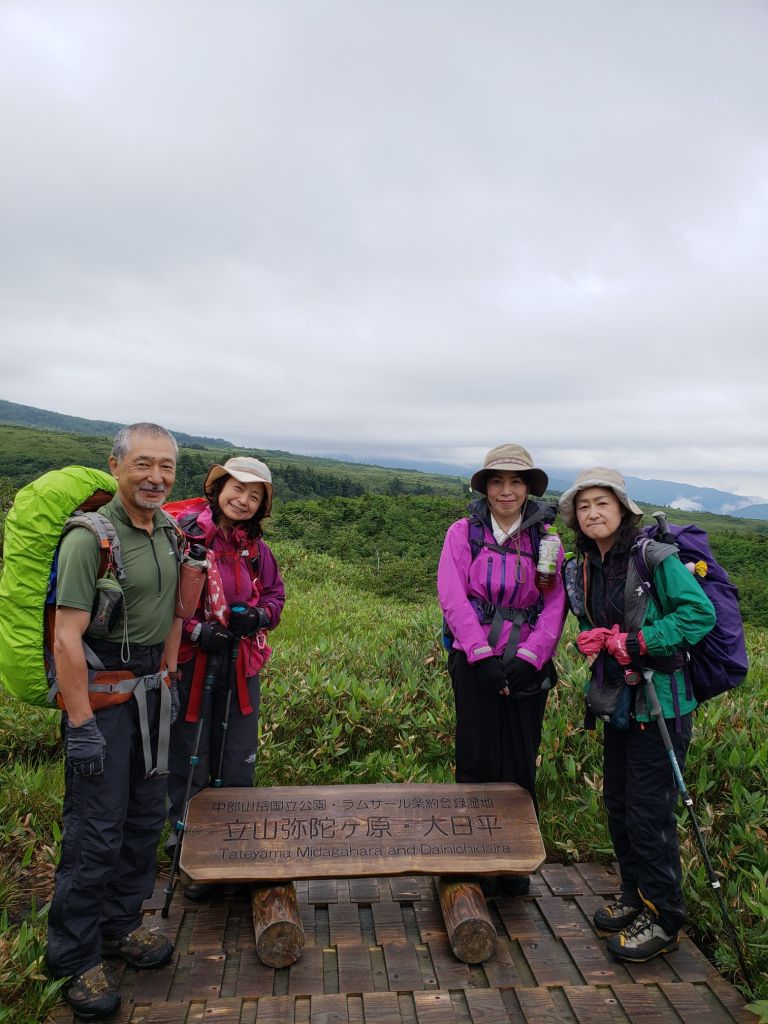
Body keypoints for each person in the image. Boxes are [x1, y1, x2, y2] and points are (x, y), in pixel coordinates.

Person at [47, 423, 183, 1020]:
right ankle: (73, 957)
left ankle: (120, 925)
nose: (156, 478)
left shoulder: (170, 531)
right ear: (116, 466)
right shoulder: (90, 538)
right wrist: (79, 725)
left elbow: (175, 612)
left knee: (143, 817)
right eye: (144, 465)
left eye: (167, 468)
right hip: (101, 696)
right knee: (95, 829)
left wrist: (171, 676)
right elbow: (66, 639)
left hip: (152, 693)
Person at [559, 468, 716, 963]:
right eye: (583, 507)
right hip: (618, 704)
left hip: (662, 705)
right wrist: (595, 636)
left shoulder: (654, 557)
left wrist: (640, 641)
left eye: (602, 503)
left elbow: (698, 614)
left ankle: (665, 918)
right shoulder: (584, 564)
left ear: (623, 508)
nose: (592, 513)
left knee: (650, 815)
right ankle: (635, 896)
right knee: (620, 806)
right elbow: (600, 620)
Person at [437, 444, 566, 896]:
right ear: (485, 487)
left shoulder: (547, 542)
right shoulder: (463, 533)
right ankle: (471, 854)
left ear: (529, 488)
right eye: (497, 481)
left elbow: (555, 605)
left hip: (528, 660)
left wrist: (533, 658)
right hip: (474, 659)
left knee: (518, 757)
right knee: (475, 756)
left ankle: (514, 858)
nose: (506, 490)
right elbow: (452, 597)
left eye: (516, 482)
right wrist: (481, 655)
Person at [166, 456, 285, 898]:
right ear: (217, 489)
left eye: (255, 495)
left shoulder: (256, 550)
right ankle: (189, 853)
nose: (244, 500)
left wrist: (256, 616)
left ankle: (232, 850)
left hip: (240, 663)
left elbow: (275, 595)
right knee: (190, 753)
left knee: (236, 755)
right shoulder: (185, 535)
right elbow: (162, 599)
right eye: (238, 489)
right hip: (191, 664)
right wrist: (198, 630)